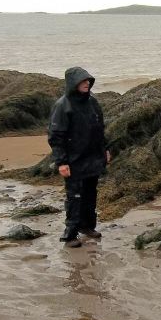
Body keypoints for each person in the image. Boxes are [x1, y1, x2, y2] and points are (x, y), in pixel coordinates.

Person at [48, 66, 112, 248]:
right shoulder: (63, 105)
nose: (86, 84)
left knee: (91, 194)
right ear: (72, 83)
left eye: (88, 81)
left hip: (93, 158)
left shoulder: (93, 102)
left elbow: (100, 129)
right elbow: (55, 136)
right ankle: (70, 235)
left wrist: (105, 150)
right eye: (82, 81)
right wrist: (61, 162)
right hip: (73, 161)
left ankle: (87, 226)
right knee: (75, 197)